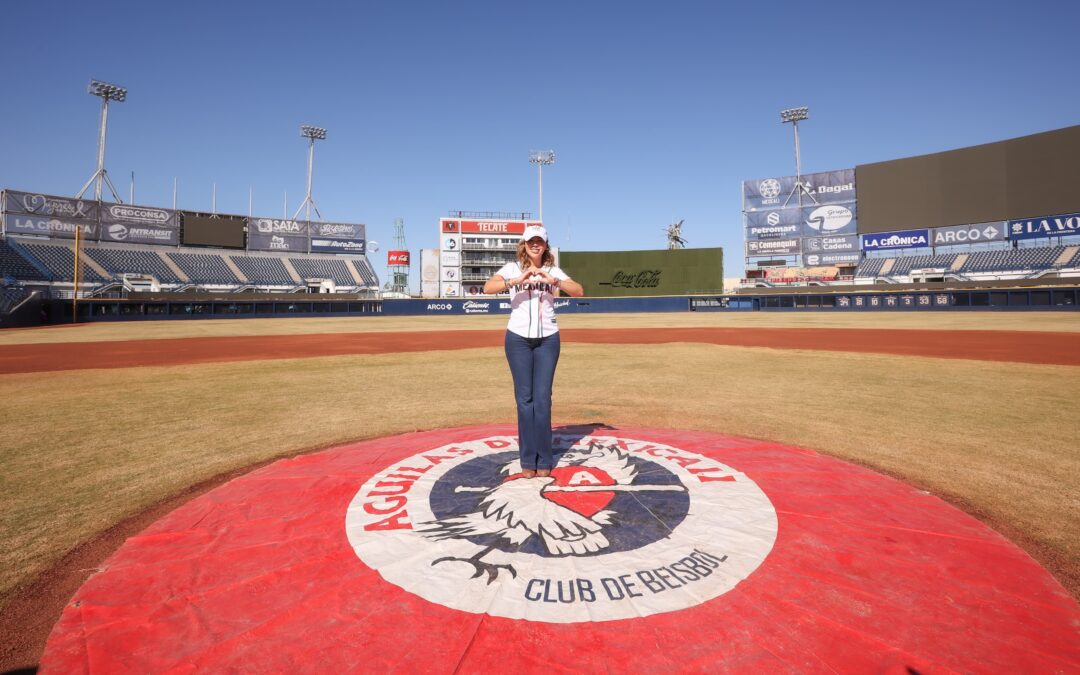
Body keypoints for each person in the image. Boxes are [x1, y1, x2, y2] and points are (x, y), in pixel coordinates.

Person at [484, 225, 584, 478]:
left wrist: (554, 281)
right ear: (524, 244)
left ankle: (545, 458)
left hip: (548, 339)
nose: (535, 245)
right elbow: (488, 288)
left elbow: (578, 290)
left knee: (542, 399)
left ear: (545, 245)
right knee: (524, 399)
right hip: (517, 339)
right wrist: (516, 280)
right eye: (531, 241)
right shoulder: (512, 268)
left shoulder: (552, 270)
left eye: (539, 241)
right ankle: (528, 460)